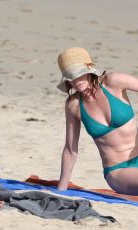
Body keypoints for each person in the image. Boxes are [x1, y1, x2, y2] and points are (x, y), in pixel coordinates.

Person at [56, 47, 138, 195]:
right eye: (70, 77)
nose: (75, 81)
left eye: (78, 74)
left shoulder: (114, 82)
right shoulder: (73, 105)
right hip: (118, 170)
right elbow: (70, 150)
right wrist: (61, 190)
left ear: (89, 71)